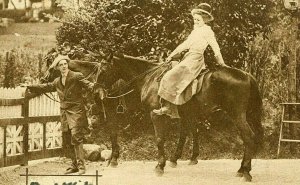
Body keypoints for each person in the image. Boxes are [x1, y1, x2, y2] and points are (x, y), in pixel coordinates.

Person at [153, 3, 227, 118]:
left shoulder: (207, 31)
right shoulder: (195, 31)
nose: (196, 21)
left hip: (195, 59)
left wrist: (221, 62)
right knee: (170, 71)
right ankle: (171, 106)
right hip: (188, 57)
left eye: (198, 20)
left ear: (205, 20)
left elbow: (215, 47)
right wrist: (171, 55)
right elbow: (185, 44)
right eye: (195, 19)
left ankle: (168, 107)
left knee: (169, 76)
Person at [26, 55, 94, 175]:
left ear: (67, 65)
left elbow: (88, 84)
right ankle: (74, 165)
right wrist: (30, 86)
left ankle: (82, 167)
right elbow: (46, 87)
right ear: (57, 67)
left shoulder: (76, 76)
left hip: (76, 110)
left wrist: (95, 87)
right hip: (64, 111)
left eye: (65, 64)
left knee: (76, 137)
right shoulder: (57, 81)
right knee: (67, 137)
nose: (63, 66)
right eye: (61, 65)